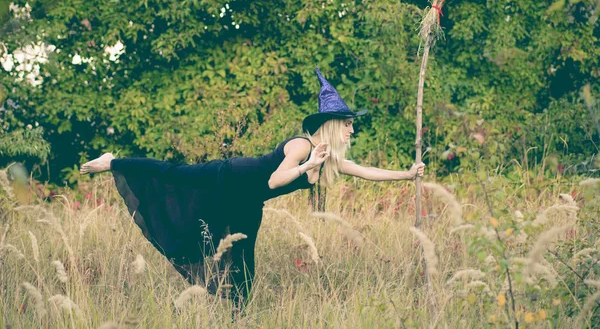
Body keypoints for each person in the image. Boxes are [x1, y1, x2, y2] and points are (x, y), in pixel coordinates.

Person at [80, 66, 425, 307]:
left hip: (247, 203)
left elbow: (365, 171)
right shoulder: (302, 147)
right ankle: (113, 161)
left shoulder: (326, 155)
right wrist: (308, 165)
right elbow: (275, 179)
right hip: (230, 177)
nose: (352, 131)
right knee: (175, 174)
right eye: (349, 125)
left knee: (244, 264)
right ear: (333, 125)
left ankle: (237, 317)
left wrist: (407, 175)